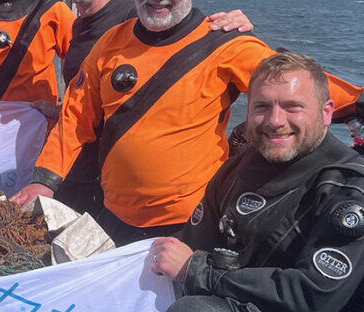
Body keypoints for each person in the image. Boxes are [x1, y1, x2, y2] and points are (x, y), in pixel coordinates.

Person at [11, 0, 363, 246]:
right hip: (113, 216)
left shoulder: (224, 43)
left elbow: (295, 84)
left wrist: (358, 102)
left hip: (192, 223)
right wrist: (45, 181)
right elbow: (75, 118)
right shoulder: (110, 43)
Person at [36, 0, 255, 217]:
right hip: (102, 190)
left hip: (179, 213)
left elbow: (291, 85)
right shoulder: (91, 32)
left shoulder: (146, 22)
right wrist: (45, 176)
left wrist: (233, 27)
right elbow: (80, 111)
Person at [151, 52, 364, 312]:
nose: (275, 121)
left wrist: (198, 271)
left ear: (326, 112)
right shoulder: (237, 168)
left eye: (293, 107)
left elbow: (314, 296)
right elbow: (192, 242)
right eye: (262, 107)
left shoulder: (348, 188)